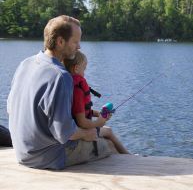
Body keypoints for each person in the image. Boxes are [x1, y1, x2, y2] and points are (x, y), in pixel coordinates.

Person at [7, 15, 121, 170]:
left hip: (22, 152)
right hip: (46, 157)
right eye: (75, 41)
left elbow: (10, 109)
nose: (79, 46)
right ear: (60, 42)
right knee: (108, 145)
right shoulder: (61, 76)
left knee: (100, 138)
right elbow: (65, 133)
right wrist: (86, 134)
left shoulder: (25, 64)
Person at [63, 50, 129, 154]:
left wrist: (97, 113)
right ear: (76, 68)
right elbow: (82, 122)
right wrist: (99, 122)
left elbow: (78, 110)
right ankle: (129, 156)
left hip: (75, 130)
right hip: (80, 131)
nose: (84, 73)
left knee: (107, 135)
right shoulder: (78, 91)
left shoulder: (68, 84)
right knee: (109, 132)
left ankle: (126, 155)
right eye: (84, 69)